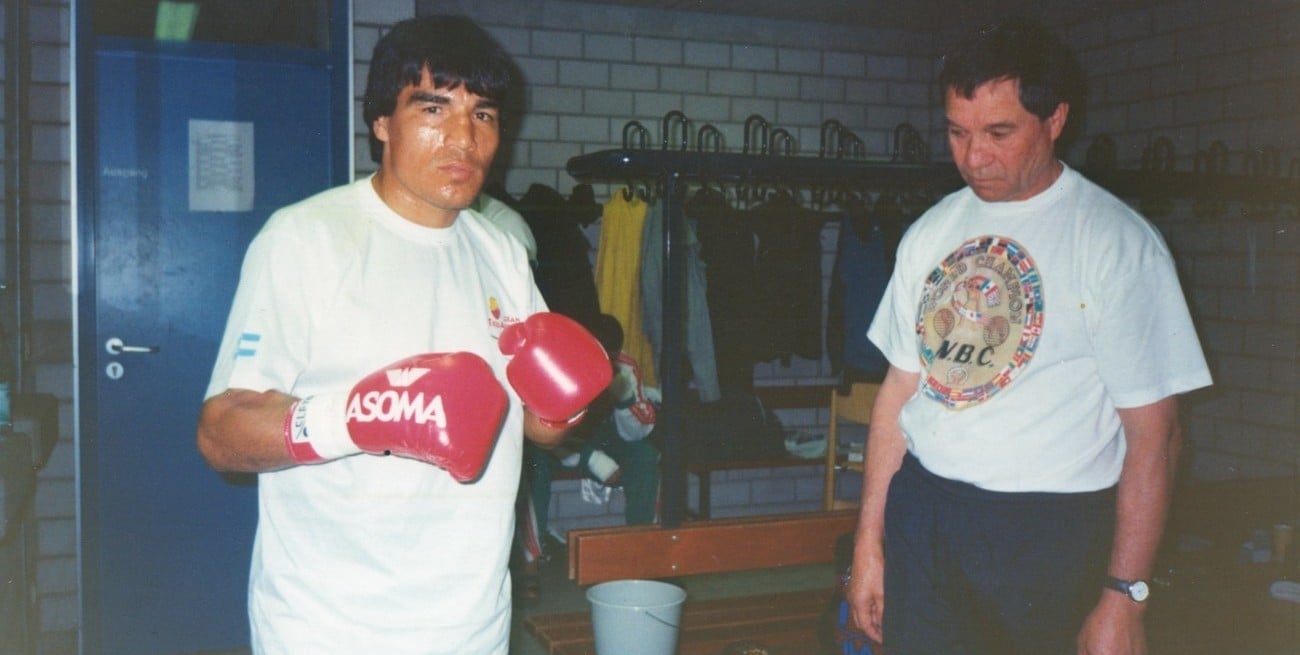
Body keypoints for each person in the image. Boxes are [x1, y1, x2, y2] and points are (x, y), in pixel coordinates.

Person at [195, 16, 610, 655]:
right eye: (433, 107)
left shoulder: (502, 252)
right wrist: (358, 417)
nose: (464, 138)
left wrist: (564, 407)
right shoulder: (306, 239)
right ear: (382, 121)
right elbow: (221, 433)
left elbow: (538, 430)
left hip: (473, 626)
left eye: (483, 114)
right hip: (329, 630)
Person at [846, 17, 1212, 655]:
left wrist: (1125, 596)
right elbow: (897, 397)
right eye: (957, 132)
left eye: (999, 133)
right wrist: (867, 545)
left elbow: (1157, 437)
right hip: (924, 514)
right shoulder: (930, 232)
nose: (973, 157)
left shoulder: (1116, 242)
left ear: (1055, 119)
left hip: (1048, 532)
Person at [515, 314, 660, 601]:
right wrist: (592, 459)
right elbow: (542, 432)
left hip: (604, 436)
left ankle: (641, 549)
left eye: (611, 356)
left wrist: (625, 401)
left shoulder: (625, 366)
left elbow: (639, 432)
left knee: (645, 456)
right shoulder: (559, 363)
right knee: (533, 467)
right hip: (559, 444)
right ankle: (528, 563)